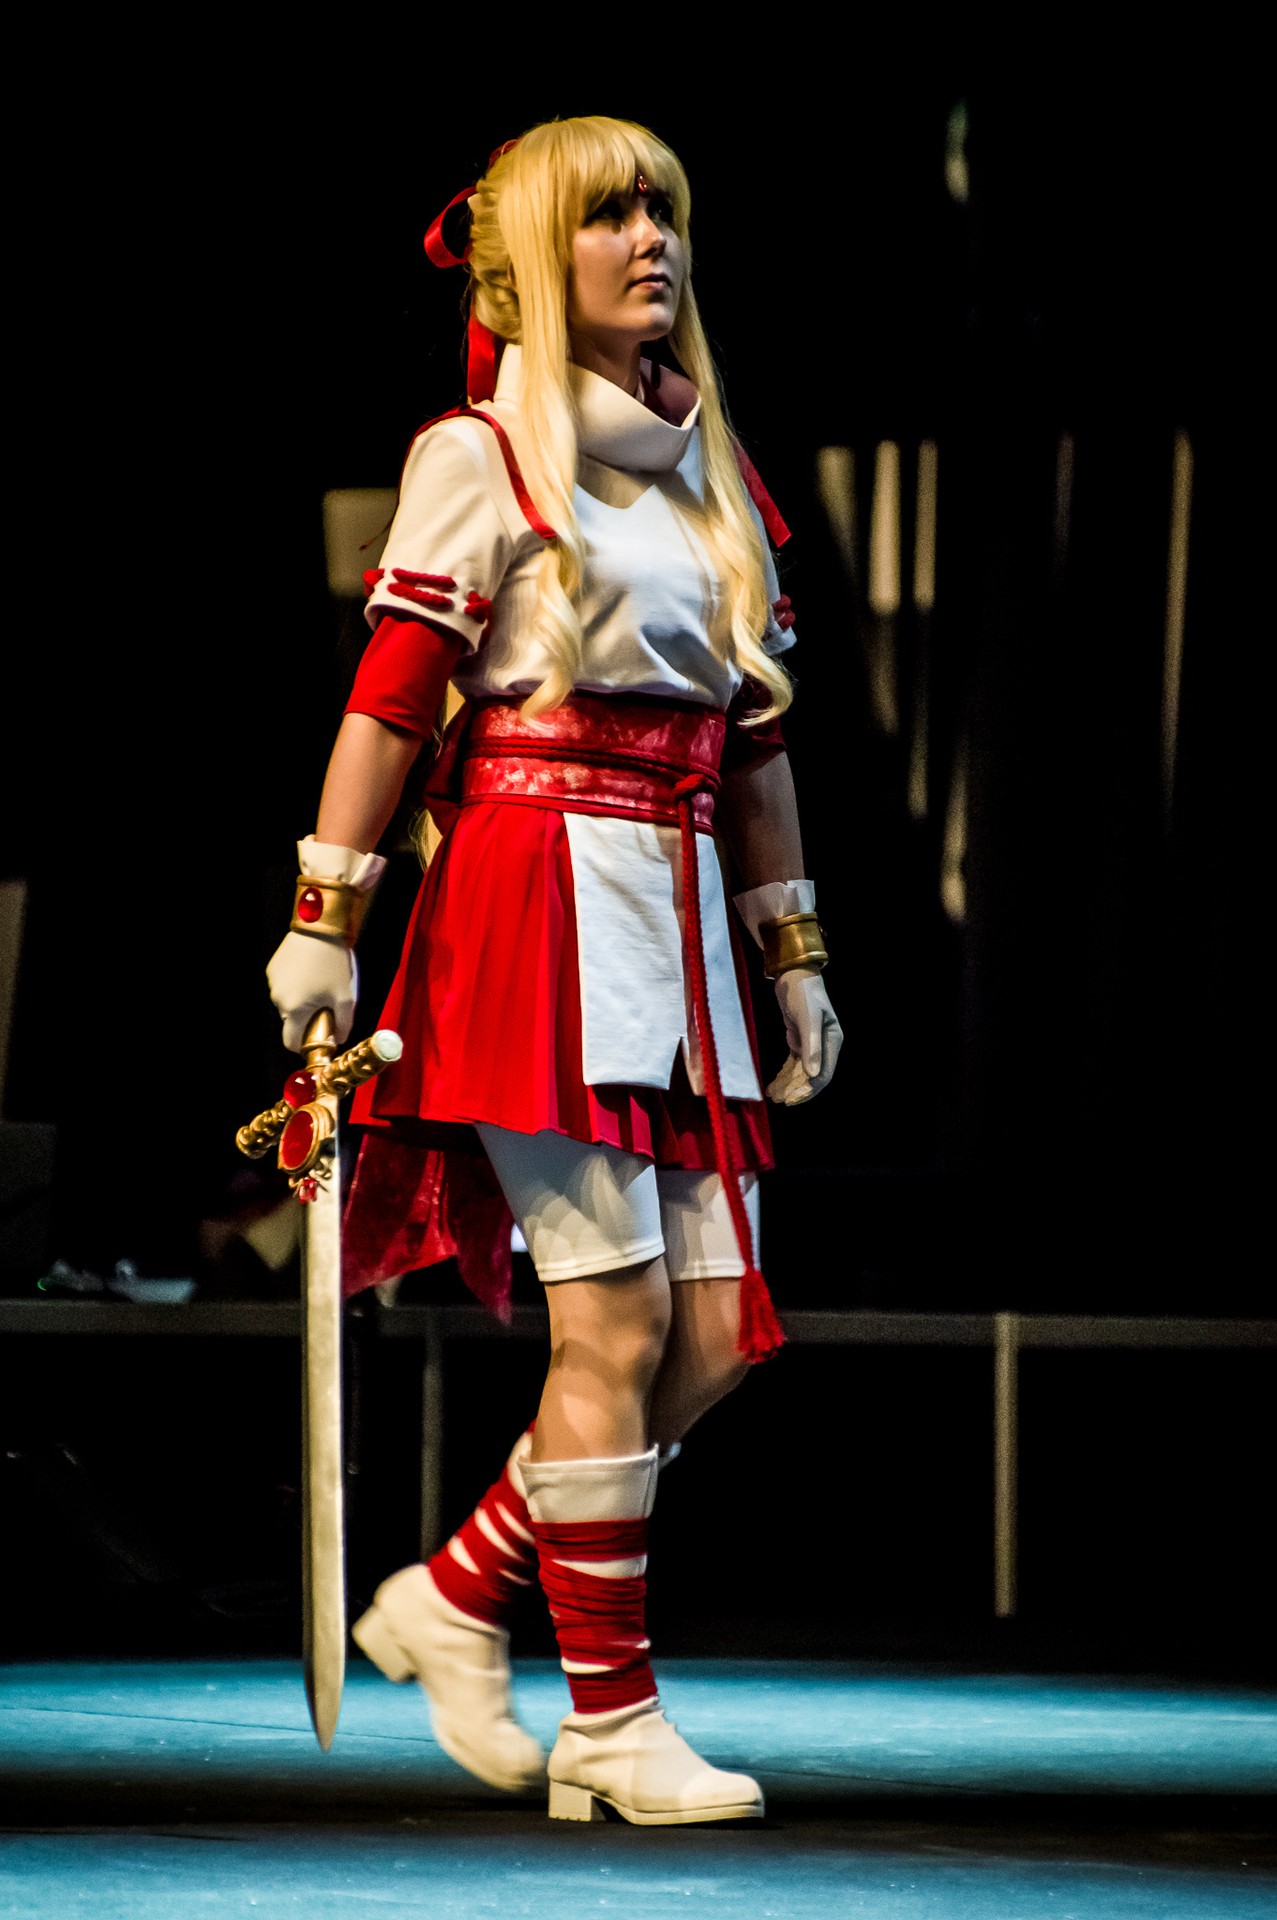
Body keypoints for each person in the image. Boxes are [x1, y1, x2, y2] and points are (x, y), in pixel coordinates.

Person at [266, 115, 842, 1826]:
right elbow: (389, 703)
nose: (649, 237)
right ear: (533, 255)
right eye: (608, 213)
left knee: (717, 1331)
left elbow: (755, 741)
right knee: (620, 1321)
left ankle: (454, 1594)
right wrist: (325, 914)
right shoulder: (478, 457)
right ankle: (610, 1720)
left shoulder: (710, 466)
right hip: (532, 902)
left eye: (663, 208)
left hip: (677, 897)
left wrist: (791, 948)